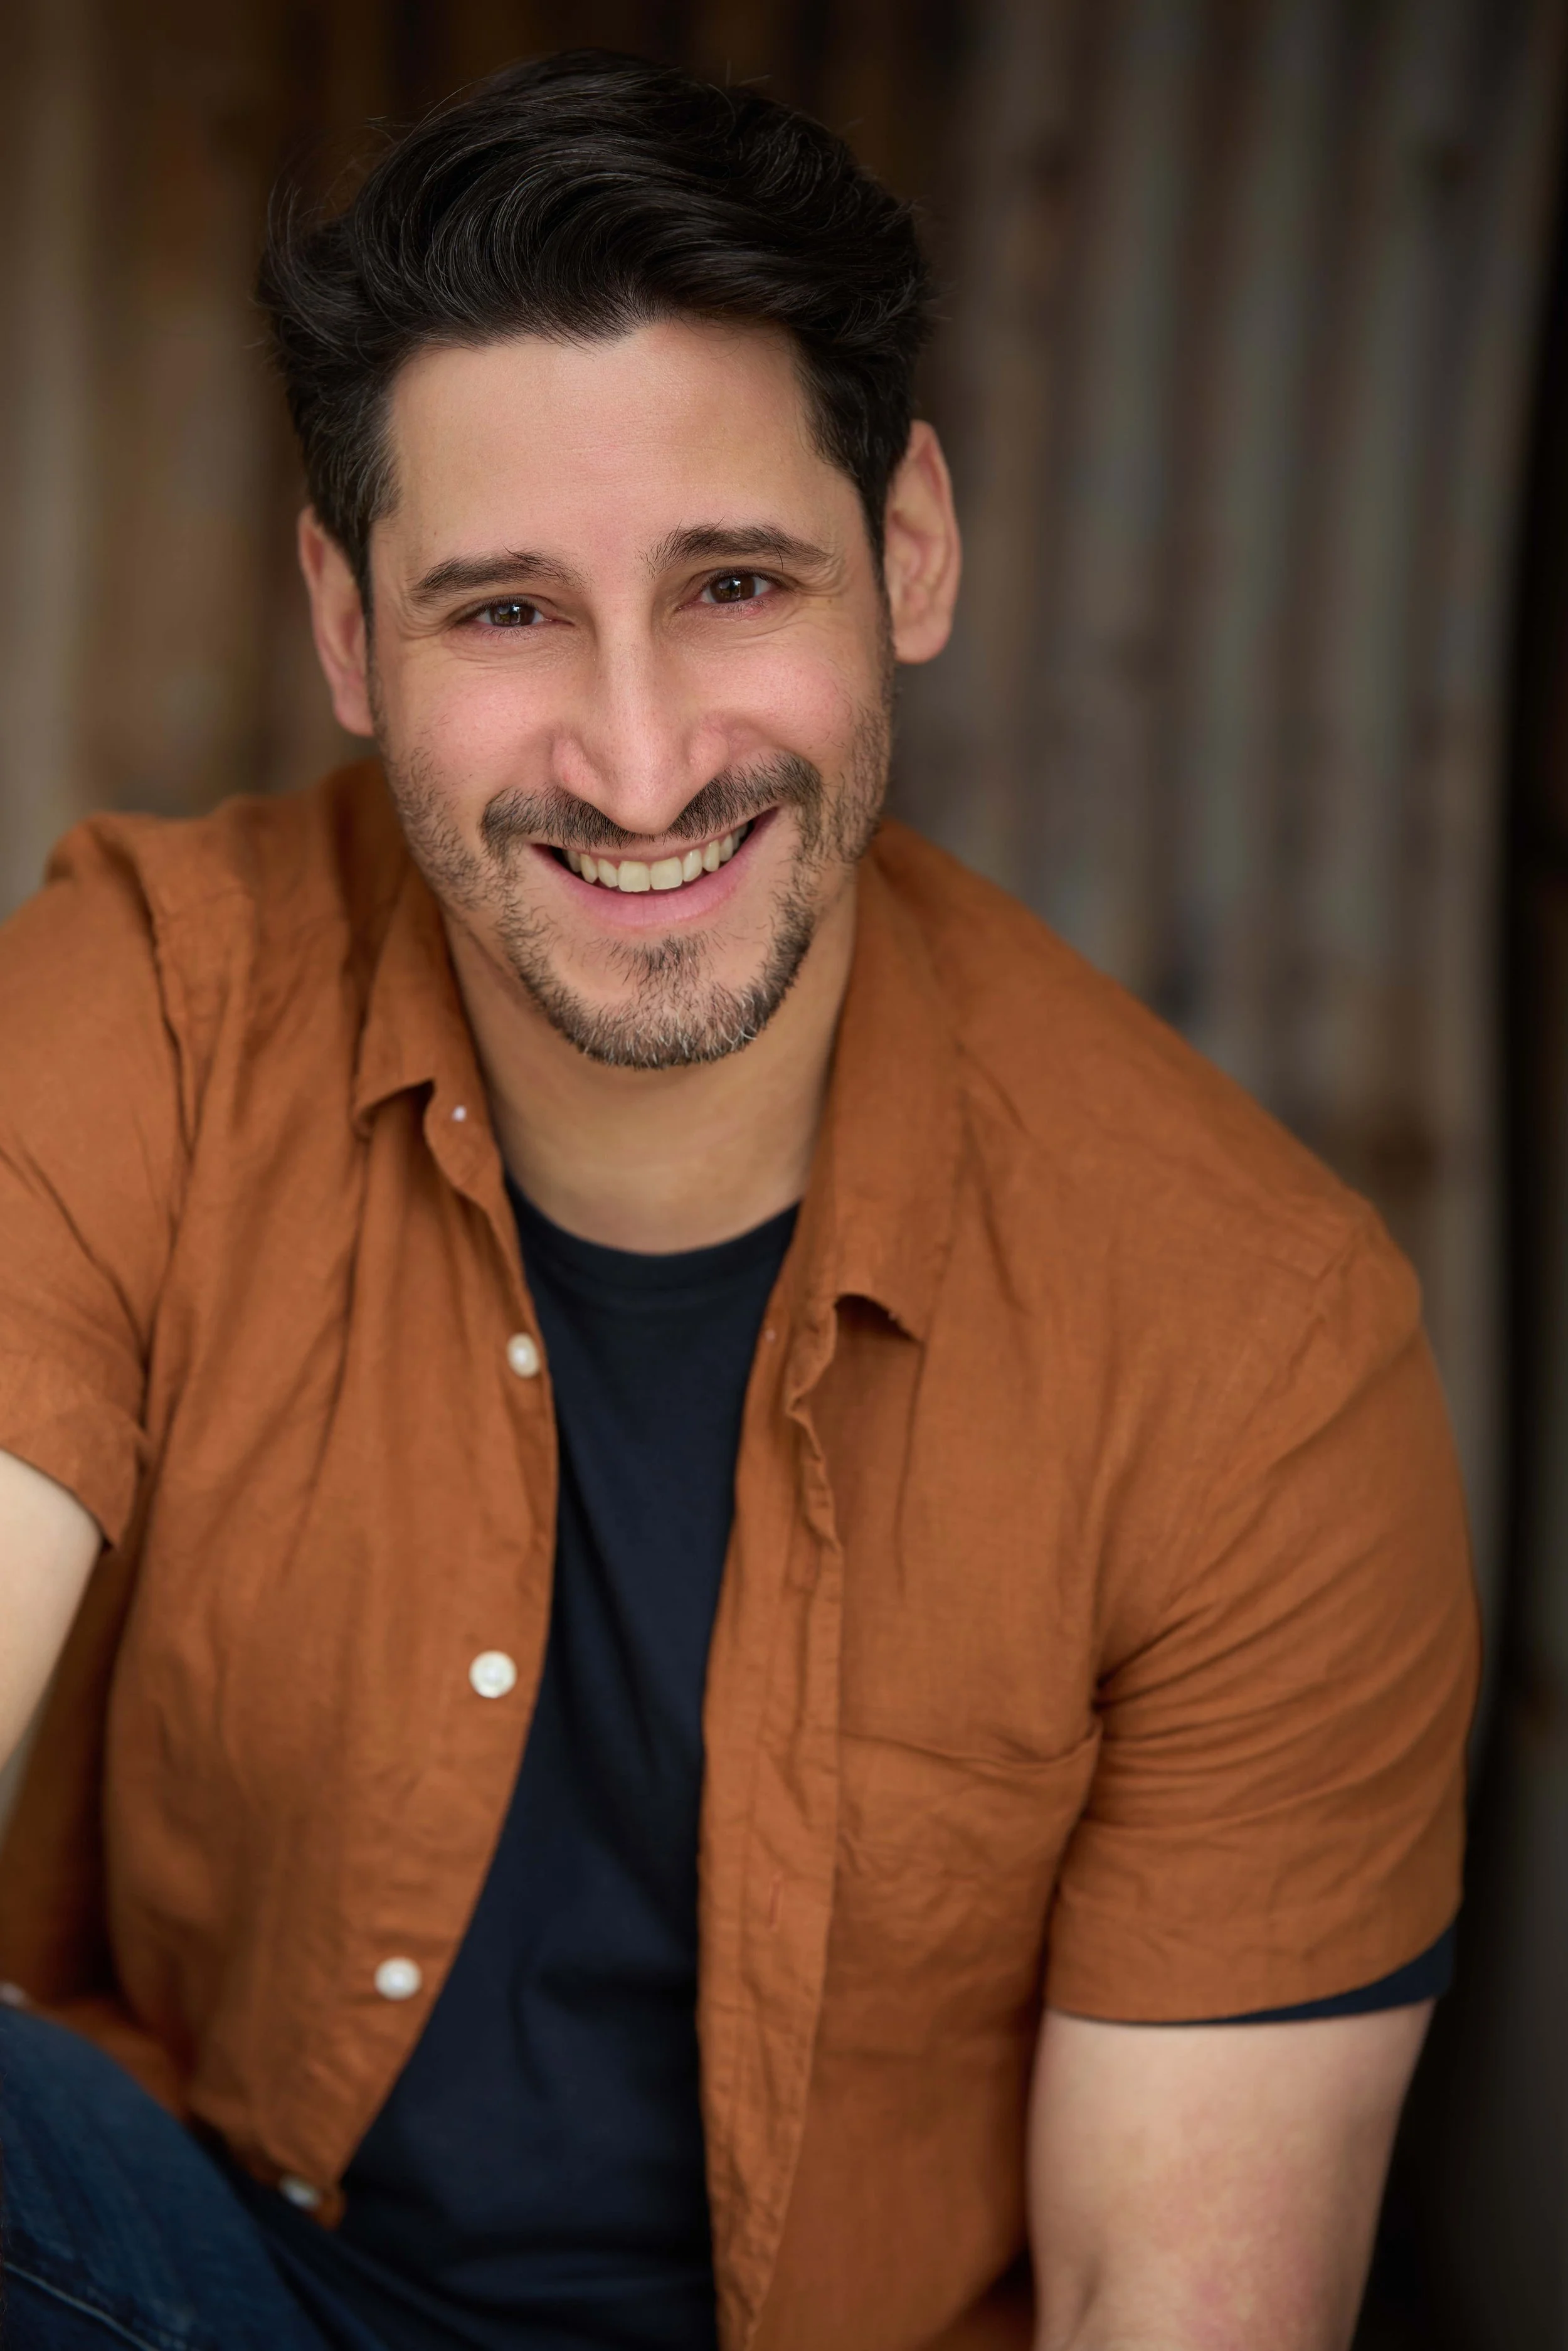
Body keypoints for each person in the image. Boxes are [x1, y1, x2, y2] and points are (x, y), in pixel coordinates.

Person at [0, 47, 1476, 2351]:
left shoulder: (1250, 1347)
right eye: (500, 611)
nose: (640, 754)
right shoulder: (159, 1000)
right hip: (201, 2282)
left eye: (731, 582)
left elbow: (1169, 2304)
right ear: (342, 625)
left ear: (908, 551)